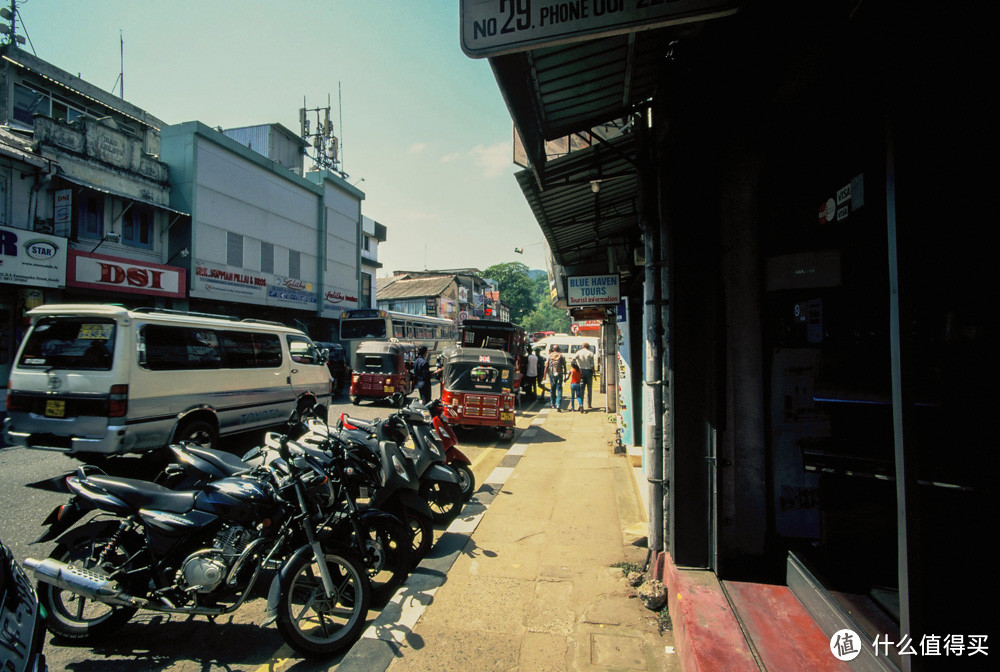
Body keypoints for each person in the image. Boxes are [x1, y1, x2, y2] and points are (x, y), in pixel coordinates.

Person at [573, 343, 596, 410]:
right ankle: (589, 404)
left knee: (581, 389)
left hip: (581, 371)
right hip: (589, 371)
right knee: (589, 389)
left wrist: (577, 367)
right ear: (588, 347)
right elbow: (592, 366)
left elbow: (573, 359)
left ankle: (581, 404)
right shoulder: (591, 353)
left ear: (583, 346)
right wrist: (594, 374)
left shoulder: (579, 352)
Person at [544, 344, 566, 411]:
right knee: (559, 389)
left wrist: (544, 376)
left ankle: (552, 404)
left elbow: (546, 366)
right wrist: (565, 375)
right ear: (558, 349)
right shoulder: (561, 356)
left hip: (551, 374)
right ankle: (558, 404)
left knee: (552, 389)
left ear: (553, 349)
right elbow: (564, 366)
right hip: (559, 374)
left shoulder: (550, 356)